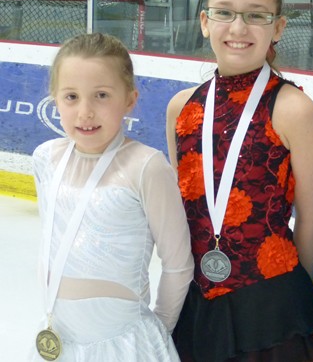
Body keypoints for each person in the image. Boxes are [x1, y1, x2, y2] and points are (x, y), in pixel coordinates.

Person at [166, 0, 313, 362]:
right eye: (224, 12)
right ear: (205, 22)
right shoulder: (181, 109)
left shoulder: (294, 110)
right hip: (197, 306)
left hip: (273, 311)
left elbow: (310, 221)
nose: (238, 28)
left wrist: (290, 303)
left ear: (278, 27)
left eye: (256, 16)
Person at [32, 33, 194, 361]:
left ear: (130, 100)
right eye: (71, 96)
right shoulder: (46, 159)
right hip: (61, 340)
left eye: (102, 95)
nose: (85, 112)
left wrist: (158, 332)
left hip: (126, 344)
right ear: (55, 99)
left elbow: (178, 264)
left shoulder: (146, 166)